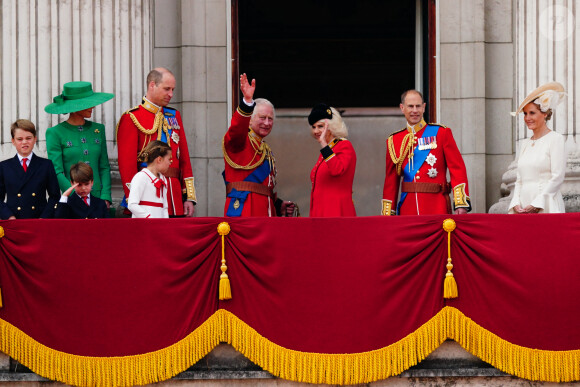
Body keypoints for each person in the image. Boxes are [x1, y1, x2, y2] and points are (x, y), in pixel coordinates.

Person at [117, 68, 196, 217]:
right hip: (147, 196)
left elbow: (184, 157)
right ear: (152, 85)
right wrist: (134, 199)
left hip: (175, 198)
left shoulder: (174, 115)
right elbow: (126, 166)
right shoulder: (132, 117)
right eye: (167, 89)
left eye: (173, 89)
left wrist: (188, 197)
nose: (171, 94)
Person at [382, 90, 471, 216]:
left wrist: (460, 203)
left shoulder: (441, 133)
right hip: (408, 207)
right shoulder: (394, 140)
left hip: (436, 205)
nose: (415, 110)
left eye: (418, 106)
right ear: (402, 108)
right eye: (410, 106)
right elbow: (391, 181)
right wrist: (387, 213)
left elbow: (457, 168)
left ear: (424, 107)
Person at [222, 73, 295, 217]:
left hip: (265, 212)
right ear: (249, 120)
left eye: (270, 119)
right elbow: (236, 131)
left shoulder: (264, 148)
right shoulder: (239, 142)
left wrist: (277, 204)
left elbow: (261, 188)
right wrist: (247, 103)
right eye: (262, 118)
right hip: (245, 212)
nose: (267, 123)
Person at [44, 81, 114, 208]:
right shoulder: (55, 133)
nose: (92, 107)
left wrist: (105, 197)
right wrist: (73, 196)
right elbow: (57, 171)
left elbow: (104, 166)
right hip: (72, 202)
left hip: (98, 199)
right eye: (88, 103)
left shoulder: (98, 129)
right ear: (75, 106)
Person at [508, 82, 567, 214]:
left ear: (545, 114)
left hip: (546, 204)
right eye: (525, 113)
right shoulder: (525, 144)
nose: (527, 118)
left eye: (532, 113)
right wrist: (516, 202)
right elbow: (519, 180)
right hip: (523, 206)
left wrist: (538, 203)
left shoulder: (555, 139)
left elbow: (557, 177)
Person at [0, 120, 60, 219]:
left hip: (39, 221)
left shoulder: (46, 165)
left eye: (28, 138)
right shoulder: (3, 167)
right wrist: (9, 216)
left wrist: (44, 218)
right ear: (13, 141)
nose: (24, 142)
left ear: (35, 139)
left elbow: (54, 196)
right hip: (14, 221)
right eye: (20, 139)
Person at [307, 103, 356, 217]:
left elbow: (336, 170)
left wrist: (324, 144)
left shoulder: (344, 145)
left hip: (337, 212)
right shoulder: (328, 149)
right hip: (321, 213)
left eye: (320, 126)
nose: (316, 131)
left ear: (331, 126)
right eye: (314, 127)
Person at [127, 141, 171, 218]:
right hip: (143, 225)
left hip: (158, 226)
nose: (170, 162)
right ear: (159, 159)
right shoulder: (141, 177)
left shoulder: (163, 179)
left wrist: (165, 224)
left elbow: (164, 207)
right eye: (168, 159)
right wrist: (149, 218)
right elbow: (132, 204)